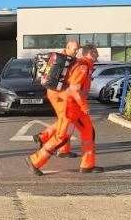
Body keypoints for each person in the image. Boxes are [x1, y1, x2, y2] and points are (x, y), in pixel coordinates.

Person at [27, 44, 100, 175]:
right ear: (91, 53)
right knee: (62, 137)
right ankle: (35, 160)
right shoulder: (82, 67)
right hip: (70, 107)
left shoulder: (84, 65)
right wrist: (84, 106)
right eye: (96, 53)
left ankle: (87, 165)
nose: (98, 55)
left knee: (89, 132)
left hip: (75, 107)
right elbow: (74, 89)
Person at [32, 39, 80, 158]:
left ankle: (63, 149)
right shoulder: (63, 60)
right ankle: (43, 138)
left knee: (65, 120)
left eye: (78, 49)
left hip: (57, 93)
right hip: (59, 94)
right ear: (68, 47)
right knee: (66, 121)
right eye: (75, 49)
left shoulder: (62, 58)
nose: (77, 51)